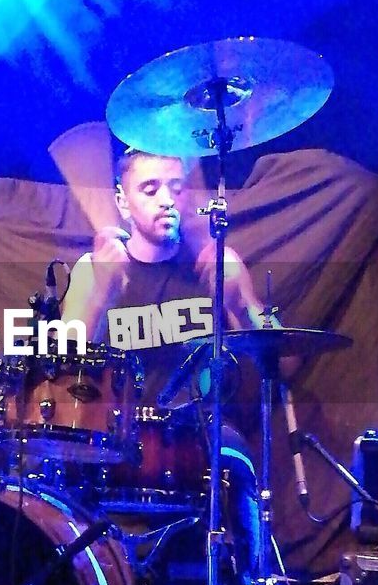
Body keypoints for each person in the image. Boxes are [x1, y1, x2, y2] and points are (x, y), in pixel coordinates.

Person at [62, 147, 269, 409]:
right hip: (122, 438)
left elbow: (284, 364)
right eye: (150, 190)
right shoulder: (93, 269)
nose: (166, 200)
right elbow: (60, 375)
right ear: (122, 202)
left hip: (204, 437)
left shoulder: (213, 263)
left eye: (176, 188)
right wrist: (100, 297)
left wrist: (242, 304)